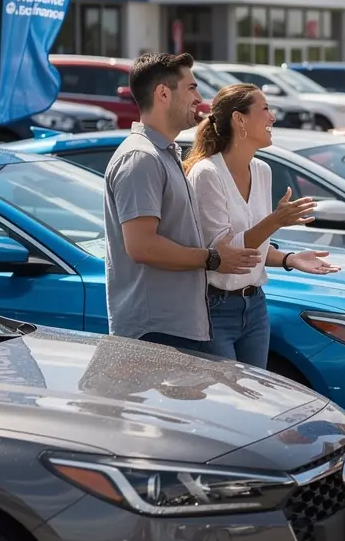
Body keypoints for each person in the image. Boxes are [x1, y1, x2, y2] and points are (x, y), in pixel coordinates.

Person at [103, 53, 261, 352]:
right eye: (191, 88)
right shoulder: (141, 158)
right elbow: (142, 246)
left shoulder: (163, 153)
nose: (199, 98)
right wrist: (213, 258)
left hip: (174, 327)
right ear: (163, 93)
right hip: (156, 333)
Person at [184, 83, 341, 367]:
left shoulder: (262, 170)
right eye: (265, 109)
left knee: (254, 400)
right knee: (227, 401)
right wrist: (276, 220)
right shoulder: (207, 173)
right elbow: (224, 255)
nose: (273, 117)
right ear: (239, 119)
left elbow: (250, 247)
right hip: (214, 308)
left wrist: (289, 259)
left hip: (255, 306)